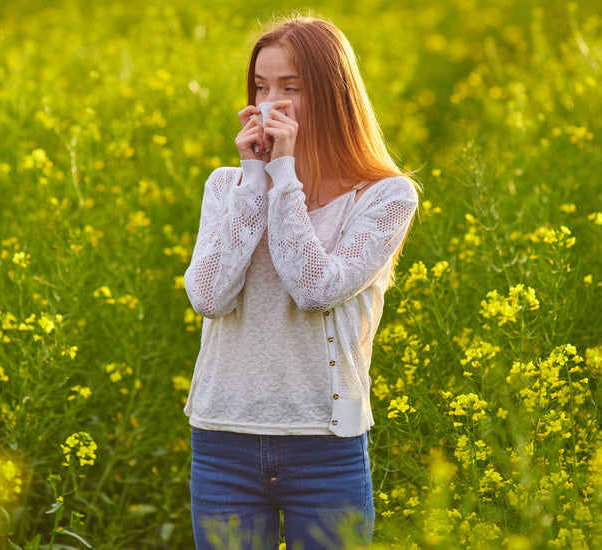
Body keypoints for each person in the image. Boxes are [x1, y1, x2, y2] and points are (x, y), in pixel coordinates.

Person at [182, 15, 419, 550]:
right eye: (262, 87)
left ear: (335, 94)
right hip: (223, 439)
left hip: (325, 448)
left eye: (292, 87)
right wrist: (255, 179)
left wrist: (284, 175)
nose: (272, 103)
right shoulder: (226, 186)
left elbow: (313, 287)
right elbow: (208, 296)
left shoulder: (385, 197)